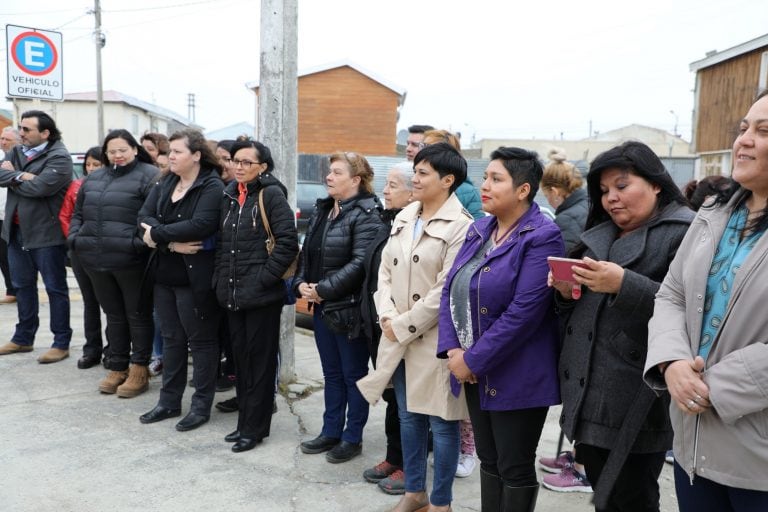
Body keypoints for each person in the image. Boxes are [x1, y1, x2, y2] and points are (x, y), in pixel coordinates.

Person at [550, 140, 694, 511]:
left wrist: (623, 284)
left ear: (656, 183)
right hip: (588, 390)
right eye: (603, 190)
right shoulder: (601, 233)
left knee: (632, 498)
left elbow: (692, 309)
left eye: (622, 185)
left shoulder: (685, 232)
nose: (611, 198)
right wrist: (567, 292)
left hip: (638, 395)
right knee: (606, 492)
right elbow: (580, 313)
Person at [645, 90, 768, 511]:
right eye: (743, 128)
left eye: (763, 131)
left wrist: (709, 384)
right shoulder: (715, 212)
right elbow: (672, 293)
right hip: (693, 442)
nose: (744, 140)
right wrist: (673, 363)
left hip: (757, 454)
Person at [436, 147, 564, 511]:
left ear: (523, 190)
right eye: (486, 177)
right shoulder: (480, 228)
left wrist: (473, 360)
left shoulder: (542, 235)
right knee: (489, 461)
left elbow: (525, 311)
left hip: (517, 372)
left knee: (514, 464)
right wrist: (453, 350)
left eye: (496, 179)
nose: (484, 185)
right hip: (475, 370)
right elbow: (451, 288)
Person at [357, 142, 473, 512]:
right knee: (408, 417)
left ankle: (441, 503)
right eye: (416, 171)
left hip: (436, 341)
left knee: (442, 423)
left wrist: (402, 324)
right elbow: (384, 272)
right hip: (398, 336)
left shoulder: (462, 226)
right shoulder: (407, 214)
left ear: (448, 180)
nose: (416, 178)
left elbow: (447, 290)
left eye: (423, 173)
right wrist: (387, 317)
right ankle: (415, 493)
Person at [295, 151, 383, 464]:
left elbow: (361, 263)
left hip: (349, 310)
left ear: (356, 179)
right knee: (331, 374)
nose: (328, 177)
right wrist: (302, 283)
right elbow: (308, 251)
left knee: (353, 376)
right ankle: (330, 430)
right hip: (322, 306)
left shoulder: (367, 213)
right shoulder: (323, 209)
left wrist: (323, 290)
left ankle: (352, 437)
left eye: (336, 172)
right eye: (329, 172)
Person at [212, 139, 298, 451]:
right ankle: (243, 423)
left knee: (260, 365)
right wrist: (220, 281)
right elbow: (223, 245)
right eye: (236, 160)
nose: (239, 166)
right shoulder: (230, 194)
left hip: (262, 296)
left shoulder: (271, 194)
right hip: (232, 294)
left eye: (247, 162)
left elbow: (287, 243)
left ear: (262, 167)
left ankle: (255, 428)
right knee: (242, 364)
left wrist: (262, 279)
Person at [137, 129, 224, 431]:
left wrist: (156, 235)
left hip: (194, 278)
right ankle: (168, 402)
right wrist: (169, 243)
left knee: (201, 342)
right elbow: (143, 217)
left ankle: (201, 406)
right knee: (172, 340)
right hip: (164, 274)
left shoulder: (211, 185)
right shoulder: (166, 181)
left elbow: (200, 225)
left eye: (177, 151)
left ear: (196, 155)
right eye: (170, 151)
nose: (170, 156)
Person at [69, 129, 158, 397]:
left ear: (134, 149)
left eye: (122, 149)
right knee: (114, 316)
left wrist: (136, 244)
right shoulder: (94, 177)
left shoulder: (150, 175)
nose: (117, 155)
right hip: (95, 259)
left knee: (138, 315)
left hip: (132, 260)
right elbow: (78, 213)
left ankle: (139, 368)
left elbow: (153, 218)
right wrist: (76, 238)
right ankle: (118, 365)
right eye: (112, 151)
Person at [0, 111, 73, 363]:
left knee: (55, 288)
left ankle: (61, 342)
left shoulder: (60, 157)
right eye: (20, 128)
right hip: (16, 232)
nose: (21, 133)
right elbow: (0, 176)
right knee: (22, 286)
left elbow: (42, 187)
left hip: (46, 233)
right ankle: (23, 339)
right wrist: (22, 175)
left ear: (45, 133)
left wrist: (13, 176)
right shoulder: (17, 152)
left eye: (27, 129)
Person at [360, 161, 413, 495]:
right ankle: (394, 457)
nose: (385, 190)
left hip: (404, 326)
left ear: (413, 191)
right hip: (381, 324)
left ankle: (411, 466)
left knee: (410, 405)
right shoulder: (389, 222)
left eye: (394, 184)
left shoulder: (414, 225)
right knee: (394, 399)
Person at [60, 146, 109, 369]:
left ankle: (113, 349)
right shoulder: (76, 186)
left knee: (111, 304)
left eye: (96, 164)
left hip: (107, 251)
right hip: (80, 251)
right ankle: (92, 349)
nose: (91, 169)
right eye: (88, 165)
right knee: (90, 302)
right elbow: (66, 216)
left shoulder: (112, 187)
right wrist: (76, 240)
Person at [422, 129, 484, 221]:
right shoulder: (415, 182)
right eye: (422, 146)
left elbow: (478, 228)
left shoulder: (468, 192)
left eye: (430, 148)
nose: (422, 152)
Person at [541, 147, 588, 253]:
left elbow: (563, 263)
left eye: (547, 195)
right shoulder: (590, 203)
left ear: (554, 192)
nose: (548, 201)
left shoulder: (566, 219)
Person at [0, 127, 21, 305]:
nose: (3, 142)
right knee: (2, 255)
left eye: (7, 139)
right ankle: (11, 289)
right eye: (2, 138)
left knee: (10, 254)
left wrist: (13, 171)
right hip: (1, 214)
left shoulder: (20, 158)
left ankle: (16, 288)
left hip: (13, 215)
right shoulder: (1, 158)